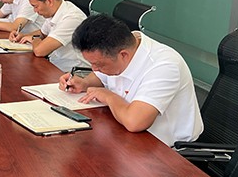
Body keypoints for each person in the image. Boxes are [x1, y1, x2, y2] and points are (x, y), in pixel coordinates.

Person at [58, 14, 204, 146]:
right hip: (125, 135)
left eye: (99, 64)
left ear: (123, 55)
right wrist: (84, 83)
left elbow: (135, 122)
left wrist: (108, 96)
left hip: (168, 150)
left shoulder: (164, 66)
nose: (94, 69)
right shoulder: (124, 46)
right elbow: (100, 76)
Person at [11, 0, 89, 71]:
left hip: (73, 71)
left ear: (49, 2)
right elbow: (43, 33)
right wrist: (23, 36)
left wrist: (34, 39)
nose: (35, 11)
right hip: (55, 64)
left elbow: (40, 51)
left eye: (36, 6)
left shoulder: (72, 18)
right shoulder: (55, 10)